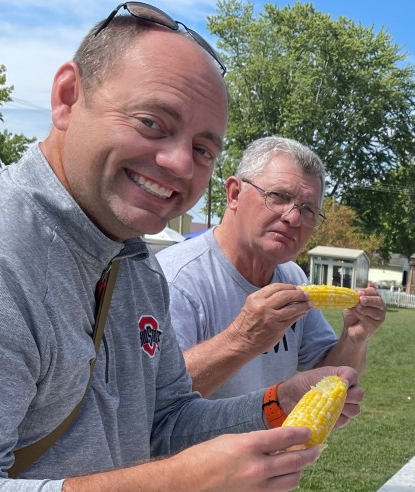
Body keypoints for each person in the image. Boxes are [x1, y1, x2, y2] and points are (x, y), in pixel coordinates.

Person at [0, 2, 363, 491]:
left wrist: (276, 402)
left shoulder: (134, 263)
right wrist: (175, 483)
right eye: (152, 122)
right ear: (68, 97)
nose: (179, 165)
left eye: (202, 149)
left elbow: (165, 420)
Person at [158, 136, 386, 398]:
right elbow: (154, 398)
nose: (293, 218)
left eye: (309, 210)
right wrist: (243, 338)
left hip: (278, 439)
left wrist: (355, 336)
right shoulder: (175, 279)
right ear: (234, 194)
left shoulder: (292, 276)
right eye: (278, 196)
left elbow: (329, 375)